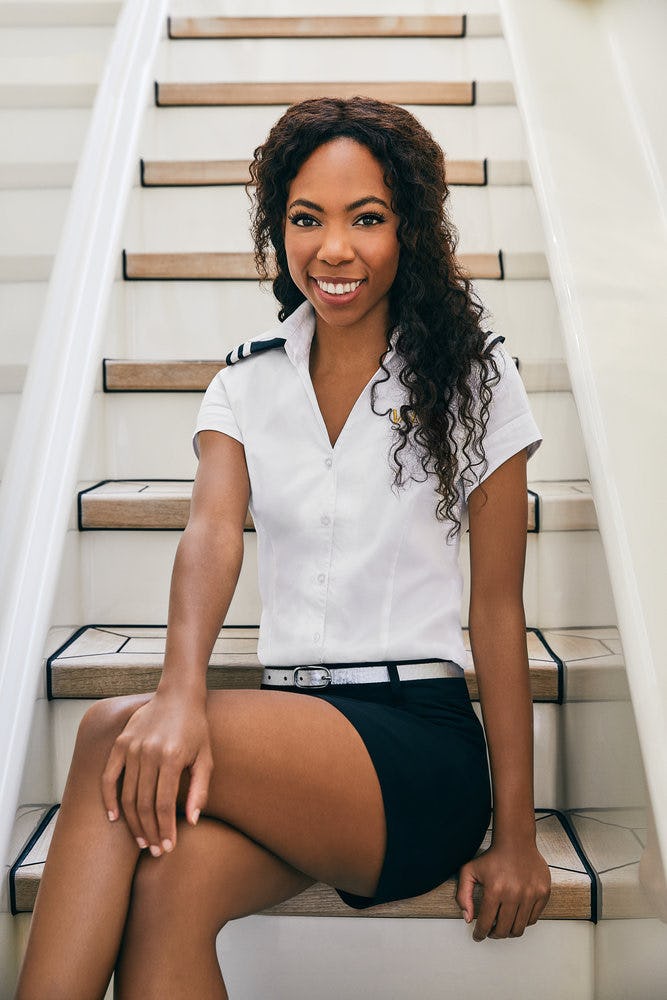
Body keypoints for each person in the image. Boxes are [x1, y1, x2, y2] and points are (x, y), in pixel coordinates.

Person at [16, 96, 551, 999]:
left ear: (410, 229)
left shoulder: (475, 375)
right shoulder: (246, 381)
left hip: (415, 749)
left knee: (110, 731)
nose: (333, 249)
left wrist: (518, 837)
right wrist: (181, 691)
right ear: (279, 229)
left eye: (366, 218)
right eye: (307, 219)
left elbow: (497, 609)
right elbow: (210, 535)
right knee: (167, 890)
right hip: (292, 743)